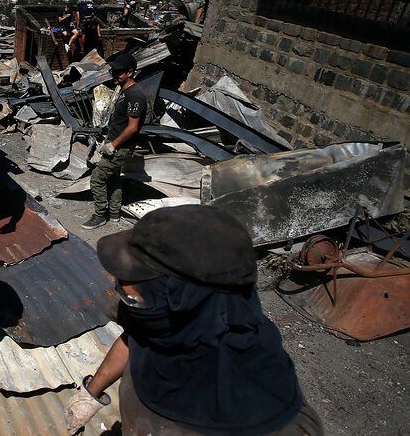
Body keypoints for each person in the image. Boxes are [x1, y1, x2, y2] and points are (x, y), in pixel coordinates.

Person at [66, 205, 324, 436]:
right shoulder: (167, 320)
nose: (121, 298)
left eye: (131, 297)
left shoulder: (270, 416)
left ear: (185, 301)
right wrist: (91, 393)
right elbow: (135, 337)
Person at [82, 53, 145, 230]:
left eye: (118, 72)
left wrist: (113, 145)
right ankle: (115, 213)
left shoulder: (135, 95)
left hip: (121, 147)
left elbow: (132, 127)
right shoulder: (125, 91)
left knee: (97, 179)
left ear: (130, 73)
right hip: (116, 142)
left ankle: (100, 215)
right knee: (114, 178)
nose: (114, 75)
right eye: (113, 71)